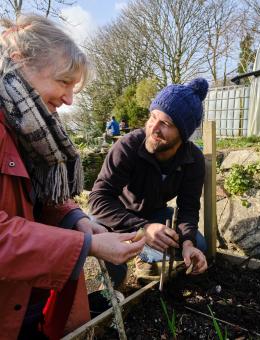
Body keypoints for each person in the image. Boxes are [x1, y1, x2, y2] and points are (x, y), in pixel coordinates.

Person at [0, 15, 145, 340]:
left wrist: (76, 218)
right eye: (64, 82)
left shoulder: (26, 128)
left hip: (25, 294)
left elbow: (38, 199)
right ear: (20, 62)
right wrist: (88, 244)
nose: (69, 99)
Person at [89, 78, 209, 281]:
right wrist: (142, 229)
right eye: (152, 117)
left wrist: (188, 242)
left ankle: (145, 257)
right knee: (98, 236)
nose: (153, 128)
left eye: (165, 123)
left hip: (156, 214)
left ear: (183, 133)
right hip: (116, 213)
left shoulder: (193, 160)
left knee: (199, 244)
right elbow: (98, 199)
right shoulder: (128, 146)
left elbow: (188, 208)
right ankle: (118, 275)